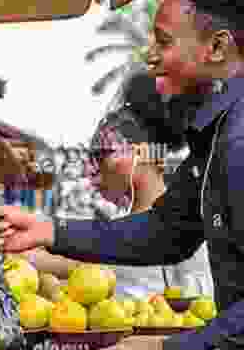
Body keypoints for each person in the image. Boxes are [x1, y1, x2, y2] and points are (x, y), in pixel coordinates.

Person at [0, 0, 244, 350]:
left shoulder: (238, 141)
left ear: (216, 47)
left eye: (164, 41)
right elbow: (167, 232)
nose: (149, 55)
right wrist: (49, 230)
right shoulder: (217, 137)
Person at [18, 73, 214, 300]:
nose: (91, 170)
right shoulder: (125, 230)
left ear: (142, 154)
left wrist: (31, 252)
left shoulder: (184, 227)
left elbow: (108, 265)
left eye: (103, 154)